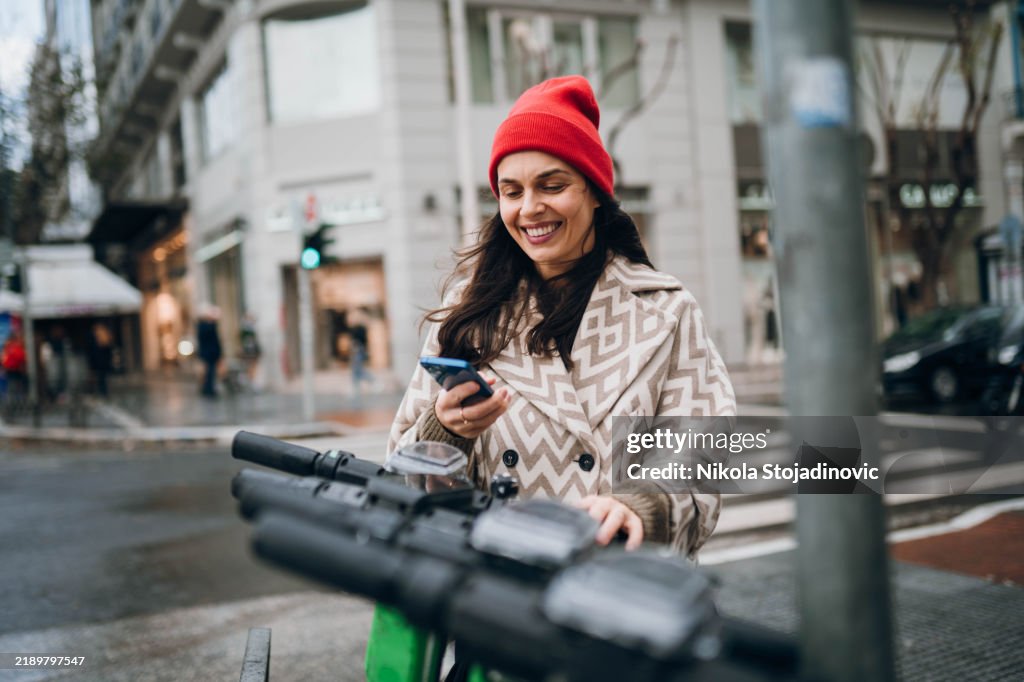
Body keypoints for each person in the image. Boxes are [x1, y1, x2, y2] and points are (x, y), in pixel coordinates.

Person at [388, 76, 735, 557]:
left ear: (594, 192)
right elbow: (398, 475)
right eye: (511, 192)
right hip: (496, 585)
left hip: (623, 583)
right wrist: (445, 432)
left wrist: (641, 507)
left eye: (552, 186)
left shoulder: (665, 310)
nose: (530, 209)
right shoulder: (468, 312)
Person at [197, 304, 223, 398]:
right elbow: (213, 341)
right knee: (209, 372)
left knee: (208, 372)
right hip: (210, 353)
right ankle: (208, 389)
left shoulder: (204, 326)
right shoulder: (208, 326)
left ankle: (207, 388)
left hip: (208, 353)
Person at [87, 323, 115, 397]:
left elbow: (92, 353)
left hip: (99, 363)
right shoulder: (104, 340)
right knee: (102, 378)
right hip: (103, 363)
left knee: (100, 379)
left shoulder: (96, 341)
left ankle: (102, 392)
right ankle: (103, 392)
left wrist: (92, 365)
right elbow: (109, 353)